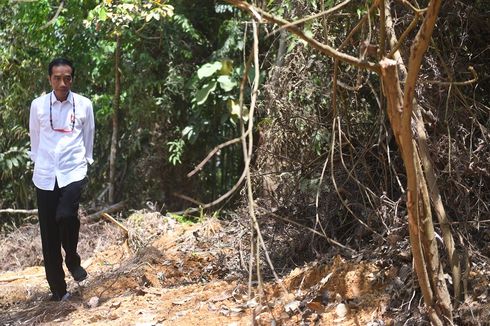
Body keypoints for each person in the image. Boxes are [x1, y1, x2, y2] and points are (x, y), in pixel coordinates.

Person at [29, 58, 95, 301]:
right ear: (50, 79)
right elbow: (34, 138)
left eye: (67, 77)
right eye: (57, 78)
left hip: (73, 170)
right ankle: (58, 290)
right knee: (49, 235)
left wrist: (85, 162)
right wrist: (40, 163)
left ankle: (73, 258)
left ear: (72, 79)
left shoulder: (84, 105)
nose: (62, 83)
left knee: (66, 215)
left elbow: (89, 137)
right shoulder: (37, 105)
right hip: (45, 174)